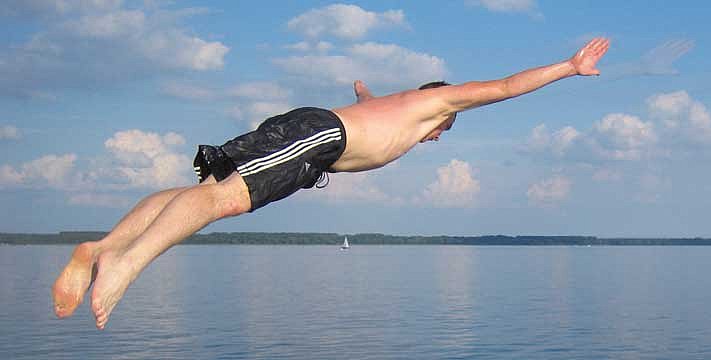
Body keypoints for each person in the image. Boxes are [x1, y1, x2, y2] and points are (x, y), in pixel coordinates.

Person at [51, 38, 612, 329]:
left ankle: (100, 249)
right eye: (445, 129)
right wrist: (569, 67)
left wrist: (365, 93)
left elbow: (372, 107)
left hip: (314, 132)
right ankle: (126, 265)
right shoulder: (438, 100)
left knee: (192, 191)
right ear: (444, 110)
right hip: (320, 138)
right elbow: (509, 86)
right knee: (221, 200)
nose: (439, 136)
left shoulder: (399, 108)